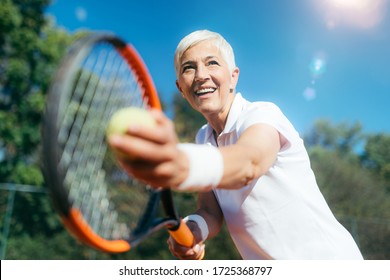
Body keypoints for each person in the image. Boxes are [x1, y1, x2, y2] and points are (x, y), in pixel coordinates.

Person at [108, 30, 363, 260]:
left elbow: (249, 163)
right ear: (181, 88)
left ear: (233, 77)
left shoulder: (262, 114)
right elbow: (210, 211)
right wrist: (195, 229)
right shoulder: (202, 139)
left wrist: (181, 163)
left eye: (212, 63)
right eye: (189, 68)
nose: (201, 76)